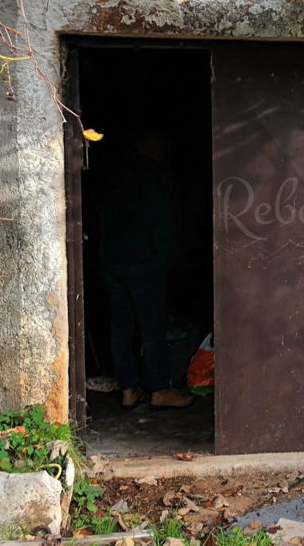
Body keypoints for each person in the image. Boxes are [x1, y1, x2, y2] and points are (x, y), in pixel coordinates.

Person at [100, 131, 194, 410]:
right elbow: (161, 224)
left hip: (112, 261)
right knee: (153, 327)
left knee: (121, 326)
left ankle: (129, 389)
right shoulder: (153, 177)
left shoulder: (117, 174)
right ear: (155, 146)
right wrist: (168, 260)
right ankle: (160, 390)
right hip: (143, 261)